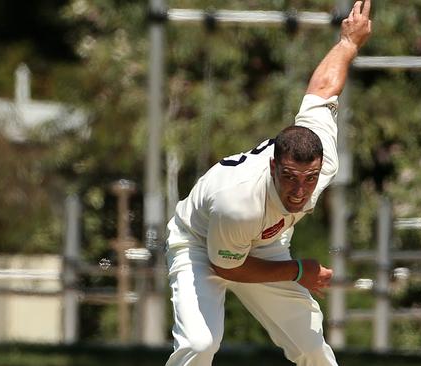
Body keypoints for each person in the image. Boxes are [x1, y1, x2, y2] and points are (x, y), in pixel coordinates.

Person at [164, 1, 372, 365]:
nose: (299, 190)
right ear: (274, 165)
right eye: (289, 177)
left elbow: (322, 90)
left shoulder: (320, 155)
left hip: (263, 240)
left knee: (310, 347)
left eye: (309, 180)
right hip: (199, 244)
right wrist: (298, 271)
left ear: (320, 167)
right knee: (199, 344)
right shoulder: (239, 199)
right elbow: (226, 267)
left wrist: (348, 44)